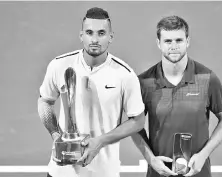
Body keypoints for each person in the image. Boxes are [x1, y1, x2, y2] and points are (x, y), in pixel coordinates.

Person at [38, 7, 145, 177]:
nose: (94, 39)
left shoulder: (125, 75)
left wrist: (100, 141)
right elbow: (45, 101)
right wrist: (56, 134)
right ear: (81, 35)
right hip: (61, 171)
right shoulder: (59, 65)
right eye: (89, 32)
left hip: (104, 172)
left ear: (111, 37)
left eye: (101, 33)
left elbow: (138, 121)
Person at [131, 15, 222, 177]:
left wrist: (203, 154)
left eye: (179, 40)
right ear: (158, 43)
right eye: (168, 41)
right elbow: (133, 126)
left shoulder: (207, 78)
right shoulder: (144, 82)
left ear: (188, 41)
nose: (174, 46)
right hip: (159, 173)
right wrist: (151, 159)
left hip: (197, 173)